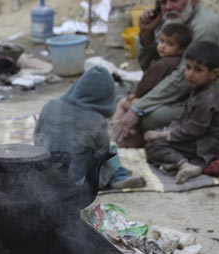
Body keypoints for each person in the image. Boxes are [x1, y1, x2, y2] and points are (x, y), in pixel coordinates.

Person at [113, 0, 219, 143]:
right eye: (163, 2)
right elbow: (152, 68)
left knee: (149, 117)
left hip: (209, 102)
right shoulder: (173, 20)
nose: (168, 7)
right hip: (187, 91)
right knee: (132, 102)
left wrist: (139, 108)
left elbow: (183, 78)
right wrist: (146, 34)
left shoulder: (205, 26)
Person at [34, 66, 145, 197]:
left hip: (45, 177)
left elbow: (37, 137)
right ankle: (118, 176)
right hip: (78, 183)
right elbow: (102, 153)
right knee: (111, 151)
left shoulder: (50, 105)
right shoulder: (95, 121)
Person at [143, 42, 219, 184]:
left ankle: (184, 165)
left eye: (198, 70)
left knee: (154, 145)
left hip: (205, 143)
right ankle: (178, 163)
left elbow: (194, 129)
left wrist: (166, 135)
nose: (190, 74)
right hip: (195, 136)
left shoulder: (208, 98)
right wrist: (166, 130)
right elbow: (184, 118)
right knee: (155, 139)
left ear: (214, 74)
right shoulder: (199, 88)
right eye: (188, 67)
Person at [112, 22, 192, 139]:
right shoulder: (176, 62)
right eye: (162, 41)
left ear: (181, 50)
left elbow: (146, 84)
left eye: (169, 44)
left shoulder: (164, 64)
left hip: (151, 103)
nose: (163, 46)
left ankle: (116, 126)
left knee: (122, 102)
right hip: (165, 104)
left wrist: (136, 96)